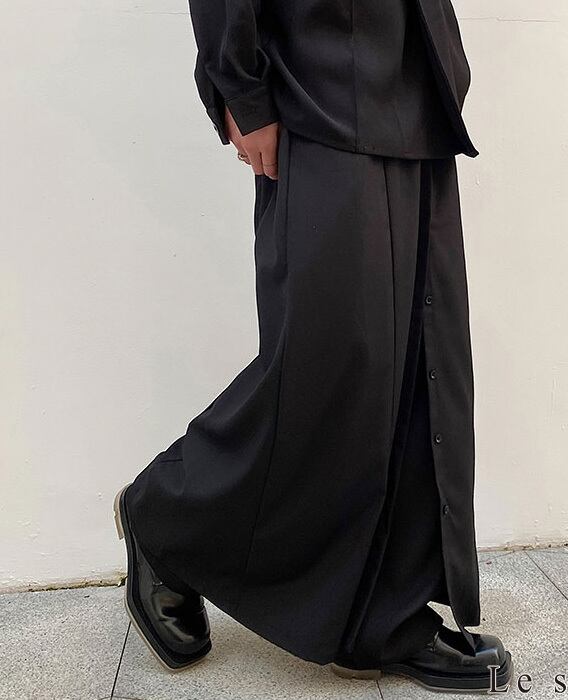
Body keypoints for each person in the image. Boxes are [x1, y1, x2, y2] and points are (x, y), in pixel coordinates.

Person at [114, 0, 513, 692]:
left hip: (414, 85)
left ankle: (381, 618)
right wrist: (242, 90)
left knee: (414, 364)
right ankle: (166, 516)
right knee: (329, 365)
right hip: (315, 86)